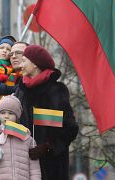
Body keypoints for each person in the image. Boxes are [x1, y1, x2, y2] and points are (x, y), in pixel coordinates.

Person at [15, 45, 79, 180]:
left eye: (24, 60)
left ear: (35, 64)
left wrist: (48, 147)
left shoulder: (56, 90)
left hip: (51, 168)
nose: (21, 64)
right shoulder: (21, 91)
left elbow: (70, 129)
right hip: (24, 166)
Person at [0, 95, 41, 179]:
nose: (6, 116)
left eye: (10, 113)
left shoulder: (28, 140)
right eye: (2, 113)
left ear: (17, 116)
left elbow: (35, 170)